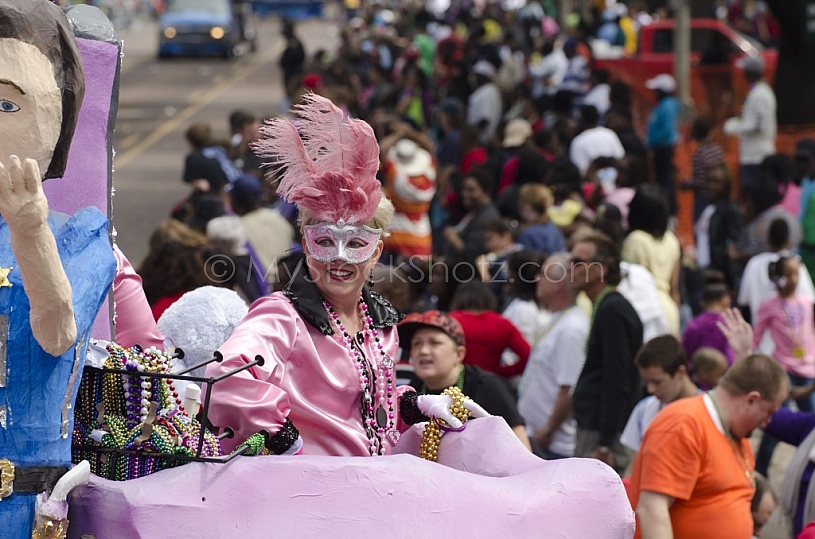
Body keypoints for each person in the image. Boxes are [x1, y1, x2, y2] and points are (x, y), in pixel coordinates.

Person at [205, 95, 487, 457]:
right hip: (312, 497)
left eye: (355, 243)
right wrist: (285, 440)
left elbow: (366, 412)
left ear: (375, 254)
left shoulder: (381, 324)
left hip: (371, 491)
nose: (338, 258)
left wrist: (417, 406)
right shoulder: (283, 317)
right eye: (323, 241)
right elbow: (224, 376)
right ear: (306, 248)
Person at [0, 1, 118, 535]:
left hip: (21, 508)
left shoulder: (81, 235)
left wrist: (29, 233)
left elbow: (58, 332)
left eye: (8, 106)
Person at [628, 354, 789, 539]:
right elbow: (652, 509)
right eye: (769, 412)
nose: (767, 422)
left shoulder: (737, 432)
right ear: (751, 400)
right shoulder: (684, 424)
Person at [400, 310, 531, 450]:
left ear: (459, 354)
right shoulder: (413, 392)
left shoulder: (487, 386)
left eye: (434, 343)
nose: (423, 351)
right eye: (417, 343)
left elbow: (523, 450)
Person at [571, 232, 644, 474]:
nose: (570, 269)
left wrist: (605, 442)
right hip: (596, 427)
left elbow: (617, 379)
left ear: (600, 270)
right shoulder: (605, 305)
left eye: (578, 263)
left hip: (601, 435)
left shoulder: (613, 311)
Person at [517, 253, 589, 459]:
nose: (537, 279)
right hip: (538, 437)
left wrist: (549, 429)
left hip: (551, 444)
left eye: (543, 274)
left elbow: (568, 388)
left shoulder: (571, 329)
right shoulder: (560, 318)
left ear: (558, 283)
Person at [620, 336, 699, 456]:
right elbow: (635, 465)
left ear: (681, 372)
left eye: (657, 382)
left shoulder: (708, 410)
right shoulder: (644, 409)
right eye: (645, 382)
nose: (650, 389)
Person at [622, 184, 681, 335]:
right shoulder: (672, 239)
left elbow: (630, 285)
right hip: (669, 309)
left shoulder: (635, 240)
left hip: (645, 310)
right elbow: (674, 287)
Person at [449, 281, 531, 380]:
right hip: (490, 383)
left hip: (457, 381)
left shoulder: (451, 321)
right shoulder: (502, 324)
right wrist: (500, 373)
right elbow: (528, 356)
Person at [723, 56, 777, 196]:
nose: (742, 73)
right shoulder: (756, 91)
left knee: (754, 196)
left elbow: (759, 127)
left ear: (751, 72)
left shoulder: (760, 94)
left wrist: (734, 127)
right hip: (750, 155)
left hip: (757, 156)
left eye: (745, 70)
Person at [644, 74, 681, 215]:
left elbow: (667, 130)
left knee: (665, 181)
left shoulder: (668, 106)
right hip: (660, 148)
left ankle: (669, 211)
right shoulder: (663, 105)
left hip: (664, 148)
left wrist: (650, 142)